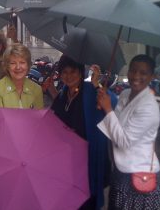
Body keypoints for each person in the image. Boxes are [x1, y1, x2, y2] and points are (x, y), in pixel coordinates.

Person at [45, 55, 118, 210]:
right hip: (67, 160)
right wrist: (51, 90)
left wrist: (97, 85)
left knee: (86, 199)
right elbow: (58, 113)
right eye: (64, 72)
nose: (69, 76)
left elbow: (112, 101)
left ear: (81, 72)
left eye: (73, 71)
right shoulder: (64, 92)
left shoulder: (90, 90)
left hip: (87, 159)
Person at [97, 54, 160, 209]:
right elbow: (117, 127)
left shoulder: (149, 107)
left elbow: (123, 141)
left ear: (152, 76)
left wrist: (108, 109)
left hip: (139, 176)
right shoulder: (125, 94)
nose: (136, 76)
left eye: (143, 73)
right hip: (121, 171)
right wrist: (104, 104)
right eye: (133, 71)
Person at [0, 43, 43, 112]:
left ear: (28, 65)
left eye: (22, 62)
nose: (18, 67)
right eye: (13, 63)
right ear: (7, 66)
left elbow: (38, 118)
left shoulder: (36, 89)